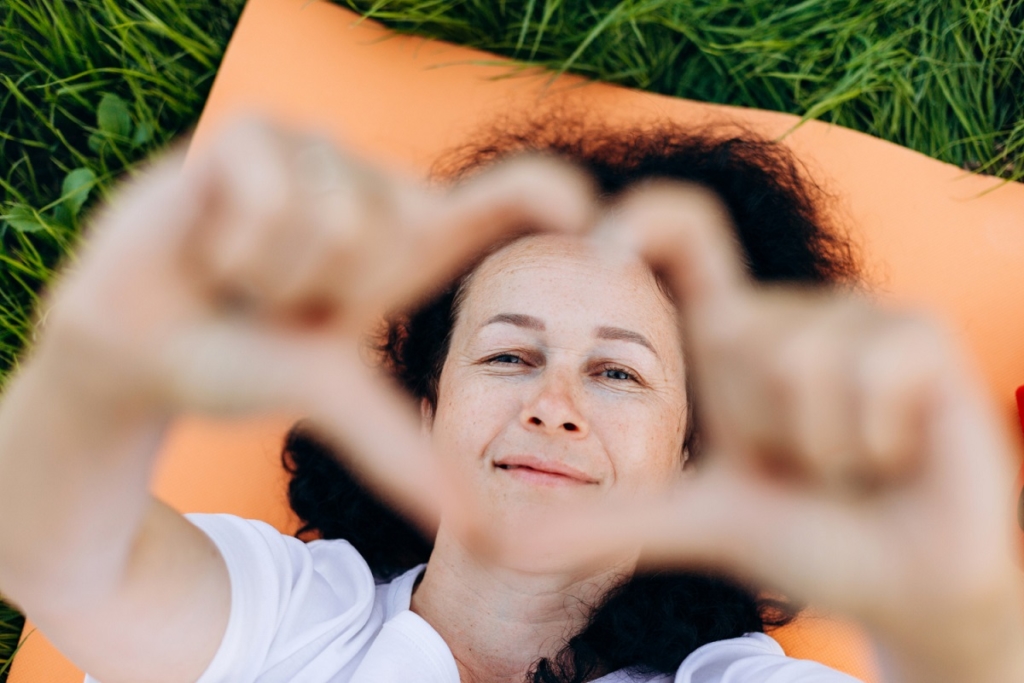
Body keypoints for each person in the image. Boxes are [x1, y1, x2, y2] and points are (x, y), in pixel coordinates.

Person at [0, 115, 1020, 683]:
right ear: (422, 409)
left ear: (693, 454)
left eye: (618, 371)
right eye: (507, 356)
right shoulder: (288, 618)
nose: (553, 405)